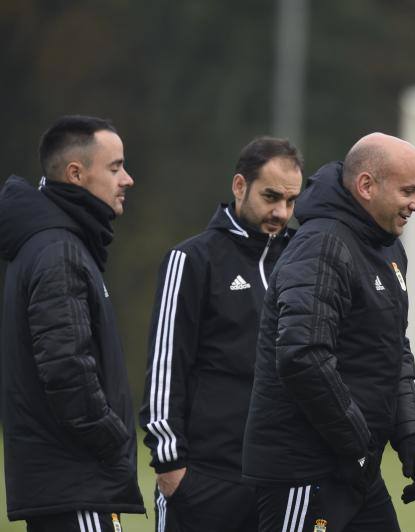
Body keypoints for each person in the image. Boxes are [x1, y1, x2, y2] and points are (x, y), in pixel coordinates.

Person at [241, 132, 415, 532]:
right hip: (304, 474)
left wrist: (408, 433)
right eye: (408, 191)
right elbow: (302, 355)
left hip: (354, 470)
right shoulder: (322, 245)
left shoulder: (388, 251)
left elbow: (393, 347)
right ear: (366, 186)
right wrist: (358, 445)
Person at [138, 136, 303, 531]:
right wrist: (171, 468)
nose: (281, 212)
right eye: (271, 196)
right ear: (239, 186)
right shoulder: (192, 259)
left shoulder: (301, 261)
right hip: (205, 480)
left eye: (291, 201)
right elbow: (165, 367)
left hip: (280, 483)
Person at [0, 116, 144, 530]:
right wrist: (112, 437)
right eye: (115, 167)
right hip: (78, 484)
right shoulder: (58, 250)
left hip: (71, 484)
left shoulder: (58, 242)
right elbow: (66, 368)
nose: (128, 179)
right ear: (76, 174)